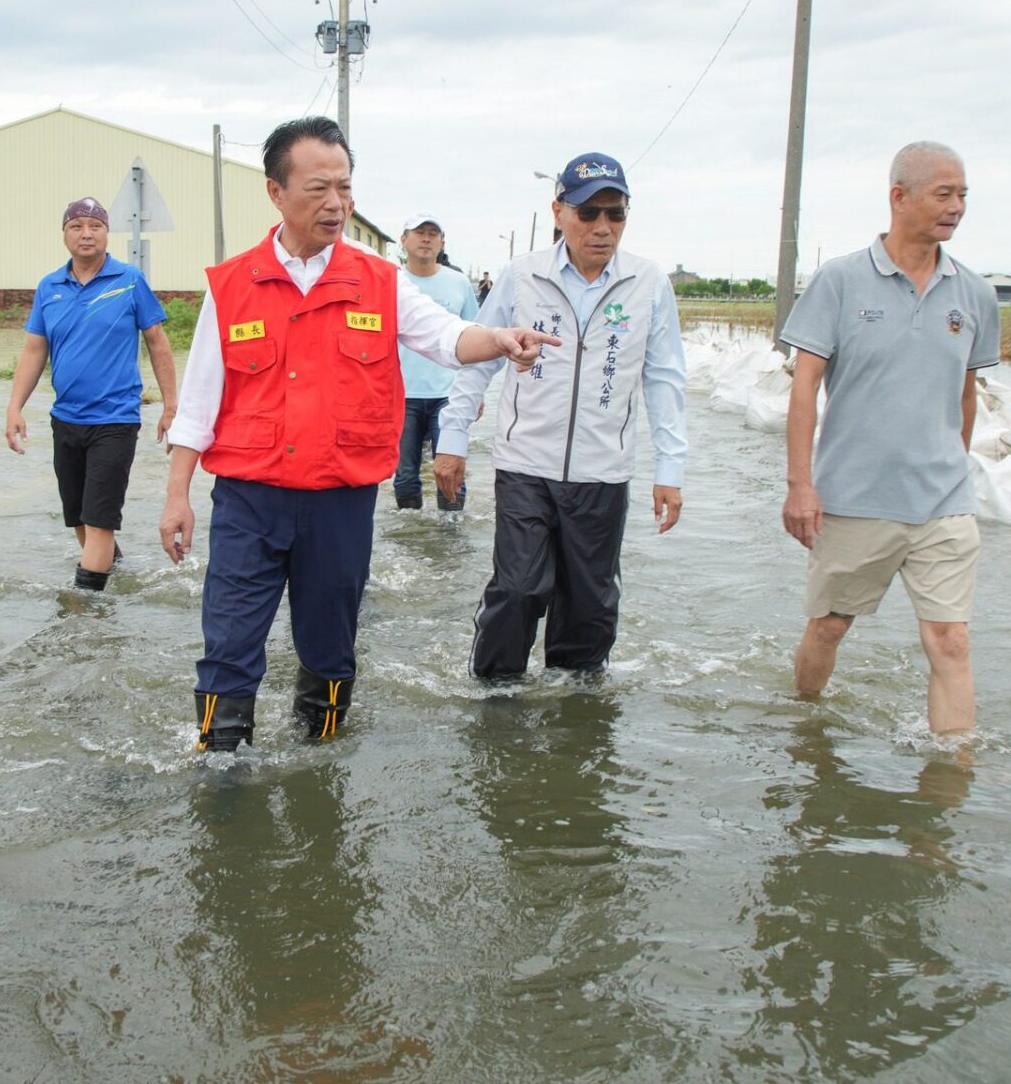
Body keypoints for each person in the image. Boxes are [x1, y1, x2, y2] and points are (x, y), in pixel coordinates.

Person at [159, 116, 559, 750]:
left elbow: (448, 338)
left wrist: (500, 340)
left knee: (329, 645)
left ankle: (320, 757)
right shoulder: (232, 285)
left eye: (344, 188)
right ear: (275, 191)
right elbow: (200, 402)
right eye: (318, 188)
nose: (336, 204)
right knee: (229, 641)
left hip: (339, 504)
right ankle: (221, 764)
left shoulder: (378, 280)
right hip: (247, 502)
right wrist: (177, 495)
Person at [434, 152, 687, 679]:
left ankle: (575, 711)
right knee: (519, 588)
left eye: (614, 214)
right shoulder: (523, 276)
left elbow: (663, 379)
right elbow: (479, 356)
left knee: (590, 603)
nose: (602, 228)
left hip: (603, 472)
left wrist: (671, 470)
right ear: (558, 212)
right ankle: (495, 693)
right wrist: (452, 438)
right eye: (587, 213)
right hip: (526, 463)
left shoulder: (646, 283)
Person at [777, 141, 1001, 736]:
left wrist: (955, 464)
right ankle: (804, 726)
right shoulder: (842, 281)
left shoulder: (974, 294)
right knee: (829, 627)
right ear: (899, 198)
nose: (956, 207)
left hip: (943, 503)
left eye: (963, 196)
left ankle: (952, 780)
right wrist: (801, 484)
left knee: (950, 641)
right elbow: (804, 390)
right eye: (943, 194)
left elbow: (966, 393)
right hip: (854, 498)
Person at [6, 196, 176, 591]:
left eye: (94, 226)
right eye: (76, 226)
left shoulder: (129, 280)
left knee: (99, 521)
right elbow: (34, 349)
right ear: (64, 234)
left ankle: (84, 616)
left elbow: (158, 343)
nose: (86, 234)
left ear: (106, 233)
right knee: (80, 520)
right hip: (65, 419)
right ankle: (116, 576)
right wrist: (15, 407)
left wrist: (171, 405)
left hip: (115, 421)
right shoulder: (49, 286)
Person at [391, 214, 480, 511]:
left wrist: (474, 394)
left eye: (433, 233)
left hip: (448, 395)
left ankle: (451, 539)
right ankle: (411, 543)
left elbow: (475, 336)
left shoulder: (458, 283)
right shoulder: (390, 280)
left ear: (442, 242)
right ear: (403, 240)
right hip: (401, 396)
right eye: (419, 232)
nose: (426, 238)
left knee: (451, 469)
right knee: (404, 476)